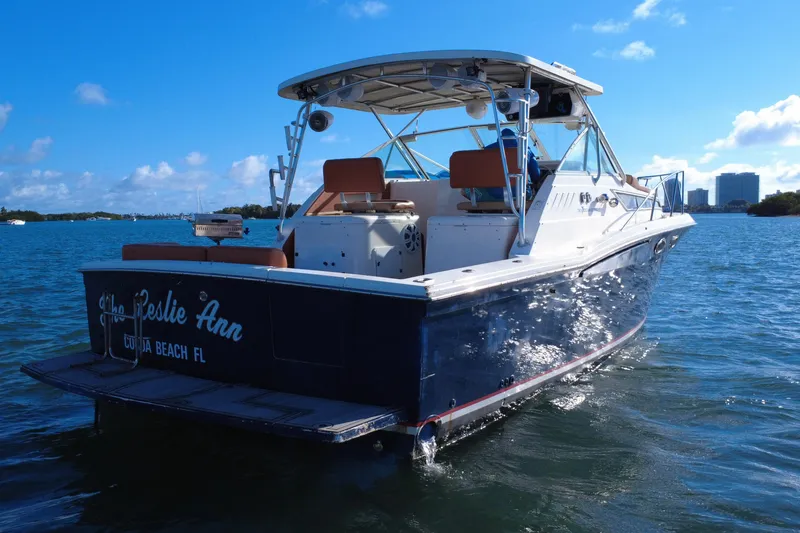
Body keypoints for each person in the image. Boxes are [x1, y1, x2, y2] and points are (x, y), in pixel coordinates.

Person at [461, 128, 541, 203]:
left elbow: (479, 175)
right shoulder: (526, 150)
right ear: (515, 138)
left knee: (465, 190)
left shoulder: (487, 150)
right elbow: (536, 175)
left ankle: (492, 209)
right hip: (522, 195)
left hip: (495, 195)